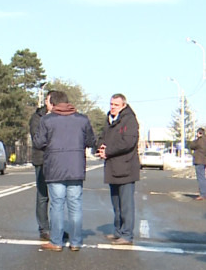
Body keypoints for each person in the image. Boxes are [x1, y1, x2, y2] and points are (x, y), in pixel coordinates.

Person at [33, 91, 95, 252]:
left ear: (52, 104)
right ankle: (75, 242)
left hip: (55, 168)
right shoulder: (82, 120)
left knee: (57, 205)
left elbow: (38, 142)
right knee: (75, 205)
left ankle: (56, 241)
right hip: (76, 167)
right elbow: (90, 141)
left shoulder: (47, 120)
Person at [96, 93, 139, 246]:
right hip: (112, 168)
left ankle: (127, 235)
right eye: (111, 104)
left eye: (116, 105)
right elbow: (102, 137)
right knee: (116, 204)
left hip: (126, 168)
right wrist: (100, 147)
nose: (112, 107)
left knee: (126, 204)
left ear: (123, 106)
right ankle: (118, 231)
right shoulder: (109, 120)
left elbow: (128, 142)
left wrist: (108, 151)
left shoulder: (129, 120)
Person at [29, 92, 51, 241]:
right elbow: (38, 139)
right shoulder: (37, 117)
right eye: (48, 100)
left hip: (59, 161)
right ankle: (44, 228)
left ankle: (58, 227)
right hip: (42, 160)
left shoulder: (61, 115)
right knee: (43, 195)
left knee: (59, 197)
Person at [187, 127, 206, 200]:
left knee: (201, 178)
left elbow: (191, 146)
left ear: (199, 133)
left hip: (199, 161)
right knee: (203, 177)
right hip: (204, 161)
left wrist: (197, 138)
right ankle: (205, 192)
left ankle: (203, 194)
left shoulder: (199, 141)